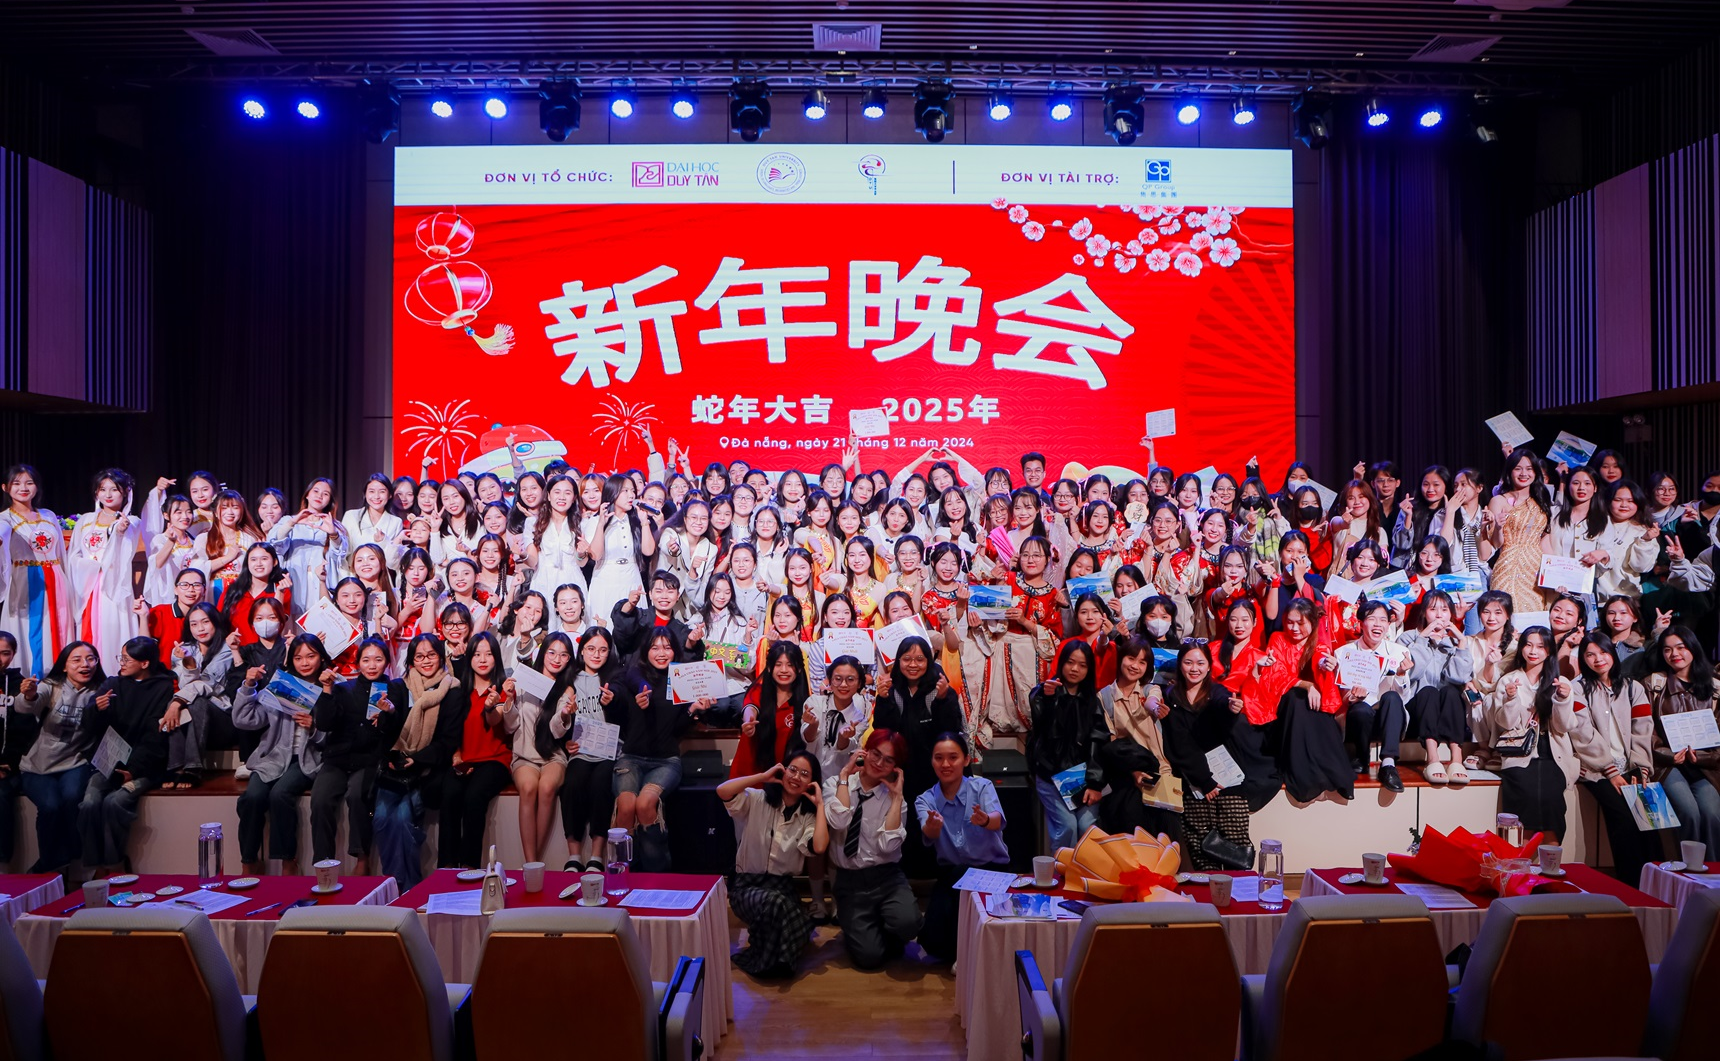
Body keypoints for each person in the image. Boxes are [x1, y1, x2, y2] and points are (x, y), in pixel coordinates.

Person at [719, 751, 829, 978]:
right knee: (783, 911)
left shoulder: (807, 816)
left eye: (805, 774)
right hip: (746, 886)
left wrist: (820, 806)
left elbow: (819, 847)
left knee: (784, 909)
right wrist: (762, 776)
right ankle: (772, 964)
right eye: (793, 770)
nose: (796, 777)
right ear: (783, 770)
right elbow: (723, 791)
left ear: (812, 782)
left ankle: (777, 953)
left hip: (782, 886)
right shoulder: (758, 799)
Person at [231, 634, 331, 874]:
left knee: (280, 794)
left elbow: (337, 735)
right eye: (298, 657)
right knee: (251, 798)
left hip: (307, 758)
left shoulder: (328, 686)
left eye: (311, 656)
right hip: (273, 756)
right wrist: (248, 686)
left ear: (321, 657)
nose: (305, 662)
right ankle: (248, 861)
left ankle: (288, 861)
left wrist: (314, 728)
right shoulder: (282, 685)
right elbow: (244, 719)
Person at [824, 729, 920, 970]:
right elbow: (839, 821)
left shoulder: (895, 799)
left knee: (910, 924)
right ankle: (863, 931)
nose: (879, 763)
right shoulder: (835, 784)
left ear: (895, 767)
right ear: (864, 752)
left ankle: (877, 926)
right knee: (869, 959)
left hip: (887, 877)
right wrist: (845, 774)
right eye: (876, 754)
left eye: (889, 760)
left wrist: (897, 798)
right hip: (850, 881)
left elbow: (888, 847)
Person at [78, 635, 173, 876]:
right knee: (89, 802)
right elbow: (89, 725)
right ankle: (95, 865)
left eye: (127, 658)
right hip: (109, 757)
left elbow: (155, 735)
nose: (121, 662)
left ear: (144, 663)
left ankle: (114, 863)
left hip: (145, 764)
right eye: (121, 657)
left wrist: (135, 769)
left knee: (115, 801)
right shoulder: (112, 683)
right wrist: (95, 709)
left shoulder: (162, 687)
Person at [1567, 633, 1658, 886]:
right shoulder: (1577, 688)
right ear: (1583, 659)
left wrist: (1642, 769)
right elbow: (1582, 733)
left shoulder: (1633, 687)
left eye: (1603, 652)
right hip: (1596, 770)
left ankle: (1657, 885)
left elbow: (1643, 730)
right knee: (1624, 820)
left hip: (1632, 766)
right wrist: (1610, 771)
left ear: (1613, 654)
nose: (1598, 659)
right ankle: (1630, 884)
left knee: (1651, 823)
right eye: (1590, 654)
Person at [615, 628, 710, 870]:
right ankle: (625, 873)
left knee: (646, 804)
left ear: (675, 651)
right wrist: (641, 692)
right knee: (626, 806)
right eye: (655, 647)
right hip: (631, 758)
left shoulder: (680, 678)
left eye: (667, 647)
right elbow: (631, 684)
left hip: (666, 760)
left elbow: (675, 729)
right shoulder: (634, 673)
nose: (661, 653)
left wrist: (693, 709)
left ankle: (658, 876)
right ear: (646, 651)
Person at [374, 633, 460, 889]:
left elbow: (449, 739)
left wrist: (418, 760)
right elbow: (388, 735)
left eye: (431, 655)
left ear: (441, 657)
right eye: (419, 656)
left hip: (427, 770)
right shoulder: (399, 687)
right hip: (394, 768)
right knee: (380, 818)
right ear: (411, 660)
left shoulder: (451, 690)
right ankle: (397, 882)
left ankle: (405, 886)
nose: (425, 661)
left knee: (402, 818)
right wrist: (388, 714)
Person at [872, 635, 963, 876]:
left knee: (935, 824)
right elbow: (882, 731)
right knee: (905, 823)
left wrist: (943, 700)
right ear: (898, 661)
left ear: (930, 660)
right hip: (901, 772)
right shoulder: (891, 689)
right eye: (907, 659)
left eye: (920, 659)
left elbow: (951, 732)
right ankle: (906, 876)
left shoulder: (940, 688)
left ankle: (937, 877)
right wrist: (881, 701)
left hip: (934, 773)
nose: (913, 665)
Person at [311, 637, 404, 871]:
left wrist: (389, 712)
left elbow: (396, 732)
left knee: (357, 795)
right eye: (366, 660)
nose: (372, 665)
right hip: (337, 759)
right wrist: (327, 691)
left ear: (387, 663)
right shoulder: (343, 688)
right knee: (320, 798)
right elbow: (323, 723)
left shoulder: (396, 689)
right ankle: (323, 863)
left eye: (378, 659)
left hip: (369, 759)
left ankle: (362, 858)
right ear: (358, 663)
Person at [915, 732, 1009, 963]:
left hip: (990, 871)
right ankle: (969, 949)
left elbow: (998, 819)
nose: (945, 764)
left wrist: (985, 819)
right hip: (952, 876)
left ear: (966, 760)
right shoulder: (925, 799)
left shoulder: (982, 786)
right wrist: (933, 825)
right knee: (930, 941)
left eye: (953, 757)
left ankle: (967, 955)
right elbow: (927, 833)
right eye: (939, 758)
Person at [1162, 640, 1255, 870]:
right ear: (1180, 665)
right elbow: (1178, 744)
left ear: (1208, 665)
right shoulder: (1171, 697)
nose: (1194, 669)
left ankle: (1239, 901)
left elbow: (1223, 710)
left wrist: (1231, 710)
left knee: (1237, 844)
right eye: (1188, 662)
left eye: (1200, 663)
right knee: (1201, 847)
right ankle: (1208, 903)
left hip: (1227, 778)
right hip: (1194, 781)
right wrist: (1204, 780)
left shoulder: (1218, 692)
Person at [1485, 627, 1579, 838]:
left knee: (1552, 799)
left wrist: (1562, 700)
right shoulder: (1509, 680)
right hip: (1519, 753)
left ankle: (1550, 859)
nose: (1533, 651)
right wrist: (1511, 699)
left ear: (1549, 651)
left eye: (1540, 646)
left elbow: (1562, 727)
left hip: (1553, 753)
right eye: (1528, 644)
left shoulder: (1561, 682)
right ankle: (1521, 855)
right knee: (1523, 794)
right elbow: (1505, 724)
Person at [17, 641, 100, 872]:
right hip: (37, 766)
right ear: (64, 666)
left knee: (73, 798)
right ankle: (52, 863)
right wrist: (29, 695)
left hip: (75, 763)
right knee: (50, 806)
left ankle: (64, 861)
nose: (85, 664)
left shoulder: (101, 689)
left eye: (91, 658)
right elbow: (24, 707)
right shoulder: (51, 686)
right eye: (77, 659)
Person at [437, 631, 514, 869]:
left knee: (473, 797)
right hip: (464, 758)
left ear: (496, 658)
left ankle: (470, 869)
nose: (482, 659)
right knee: (449, 795)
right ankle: (447, 869)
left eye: (489, 654)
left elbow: (495, 720)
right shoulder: (459, 691)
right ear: (469, 658)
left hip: (495, 761)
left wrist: (490, 707)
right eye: (477, 654)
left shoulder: (503, 688)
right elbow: (452, 729)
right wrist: (456, 754)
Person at [553, 628, 623, 872]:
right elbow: (558, 716)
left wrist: (613, 703)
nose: (596, 654)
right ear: (581, 651)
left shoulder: (615, 678)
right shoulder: (569, 679)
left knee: (602, 784)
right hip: (581, 748)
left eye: (603, 650)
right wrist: (566, 742)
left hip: (608, 750)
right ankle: (574, 856)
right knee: (571, 784)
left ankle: (596, 856)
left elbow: (625, 717)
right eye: (591, 649)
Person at [1646, 627, 1720, 854]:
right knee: (1689, 813)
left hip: (1705, 765)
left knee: (1712, 815)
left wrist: (1705, 757)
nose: (1674, 654)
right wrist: (1667, 754)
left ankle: (1712, 875)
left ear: (1693, 649)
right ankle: (1688, 873)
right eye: (1667, 649)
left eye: (1680, 647)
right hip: (1667, 765)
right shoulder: (1653, 684)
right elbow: (1645, 730)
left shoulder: (1715, 687)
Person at [1094, 639, 1178, 837]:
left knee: (1168, 836)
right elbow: (1111, 742)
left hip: (1160, 772)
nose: (1135, 666)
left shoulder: (1150, 689)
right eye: (1131, 658)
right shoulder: (1104, 697)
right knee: (1135, 836)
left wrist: (1155, 708)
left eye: (1142, 662)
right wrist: (1135, 773)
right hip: (1126, 774)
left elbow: (1152, 701)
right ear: (1121, 658)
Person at [1026, 640, 1104, 853]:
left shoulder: (1092, 700)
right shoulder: (1042, 693)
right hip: (1051, 776)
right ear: (1062, 663)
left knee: (1087, 828)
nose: (1075, 669)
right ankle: (1063, 878)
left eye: (1082, 665)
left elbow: (1098, 741)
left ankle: (1087, 878)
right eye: (1070, 662)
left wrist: (1095, 783)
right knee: (1067, 828)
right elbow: (1044, 730)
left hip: (1082, 777)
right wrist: (1049, 699)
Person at [1327, 601, 1412, 791]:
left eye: (1382, 620)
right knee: (1360, 709)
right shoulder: (1344, 654)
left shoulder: (1400, 653)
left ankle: (1388, 764)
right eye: (1371, 619)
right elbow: (1340, 698)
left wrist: (1399, 675)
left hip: (1389, 721)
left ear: (1388, 625)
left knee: (1391, 698)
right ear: (1360, 624)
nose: (1377, 624)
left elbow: (1404, 699)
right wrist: (1353, 696)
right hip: (1359, 721)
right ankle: (1361, 757)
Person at [1397, 591, 1476, 786]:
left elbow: (1458, 677)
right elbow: (1411, 673)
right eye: (1433, 609)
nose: (1439, 615)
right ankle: (1433, 758)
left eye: (1444, 610)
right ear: (1424, 613)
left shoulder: (1455, 642)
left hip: (1447, 713)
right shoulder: (1407, 638)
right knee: (1429, 692)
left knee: (1450, 692)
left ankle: (1456, 759)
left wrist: (1462, 644)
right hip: (1416, 710)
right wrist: (1423, 639)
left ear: (1451, 614)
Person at [1, 465, 73, 678]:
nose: (23, 488)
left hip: (56, 579)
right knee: (29, 630)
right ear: (5, 487)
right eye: (16, 483)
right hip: (25, 580)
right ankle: (29, 679)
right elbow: (2, 534)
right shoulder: (5, 518)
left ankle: (59, 678)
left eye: (29, 483)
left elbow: (61, 551)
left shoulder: (48, 515)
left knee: (57, 628)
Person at [732, 641, 809, 778]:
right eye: (778, 665)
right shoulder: (757, 691)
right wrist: (749, 723)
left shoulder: (804, 703)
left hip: (781, 779)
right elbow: (750, 708)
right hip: (748, 776)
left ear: (798, 669)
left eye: (790, 665)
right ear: (769, 667)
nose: (784, 670)